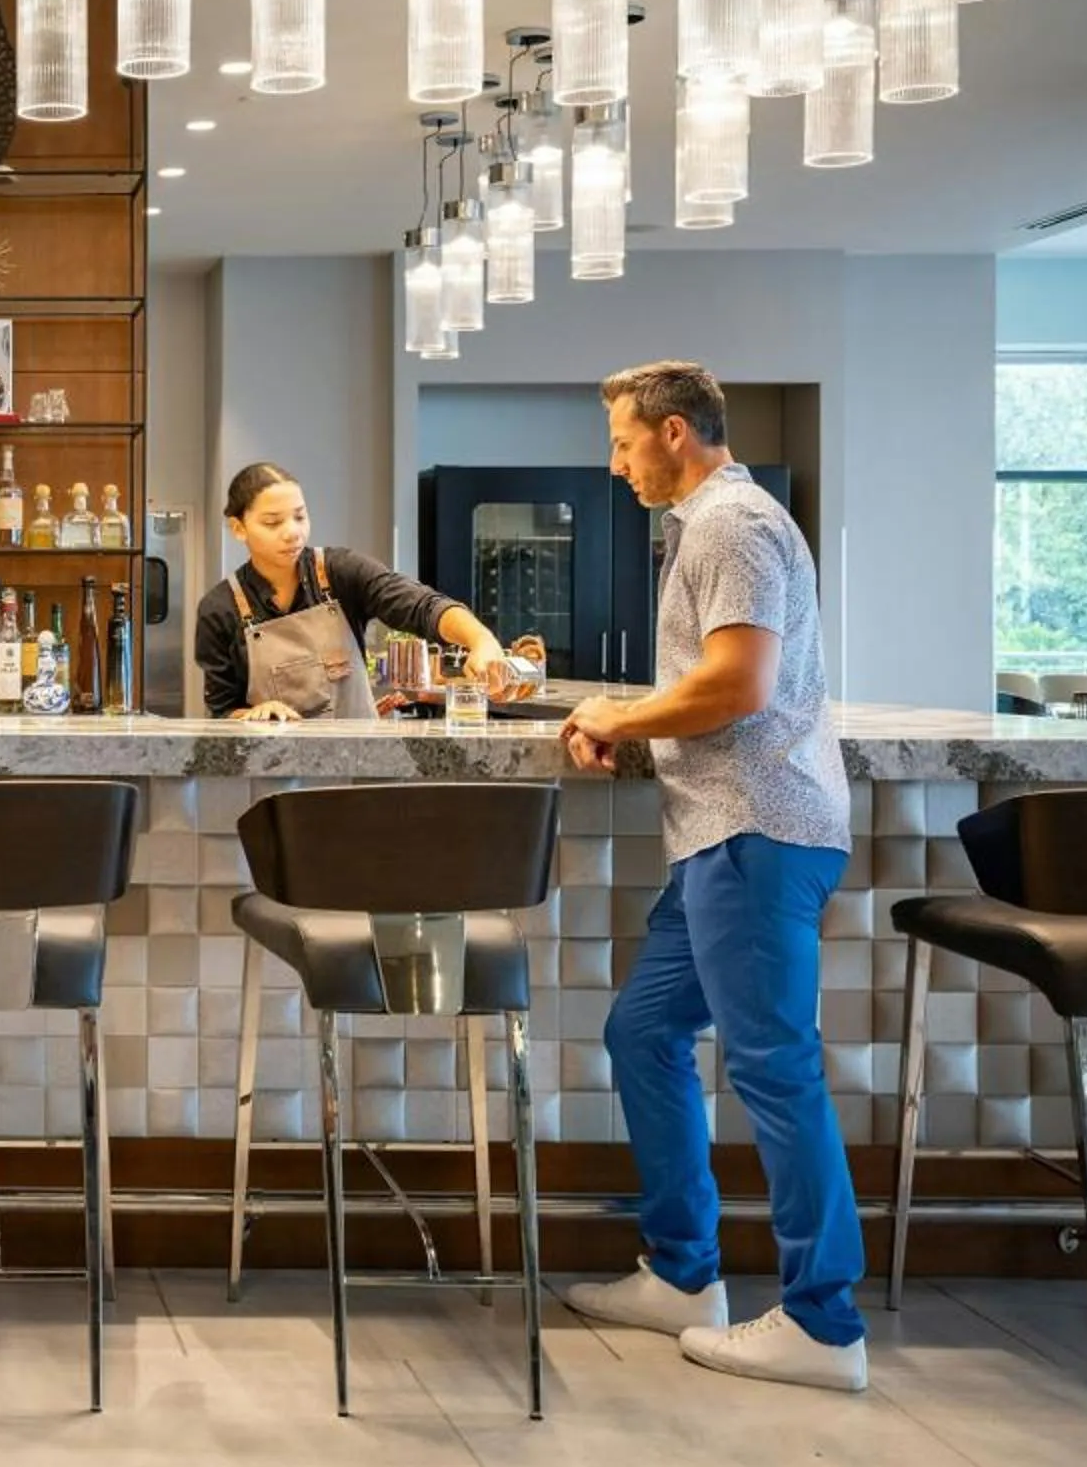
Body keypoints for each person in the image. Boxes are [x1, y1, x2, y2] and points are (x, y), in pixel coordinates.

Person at [558, 362, 866, 1392]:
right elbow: (711, 681)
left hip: (757, 829)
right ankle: (684, 1273)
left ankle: (826, 1322)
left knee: (774, 1064)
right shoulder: (714, 523)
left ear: (674, 431)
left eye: (622, 440)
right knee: (643, 1030)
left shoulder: (730, 524)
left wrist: (616, 714)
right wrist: (631, 714)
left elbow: (738, 683)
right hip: (718, 837)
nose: (615, 461)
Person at [194, 461, 530, 722]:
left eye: (299, 517)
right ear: (239, 528)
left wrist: (481, 641)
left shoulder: (340, 572)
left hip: (356, 766)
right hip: (273, 776)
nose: (292, 533)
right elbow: (221, 711)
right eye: (272, 522)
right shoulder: (220, 609)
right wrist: (250, 714)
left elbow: (420, 605)